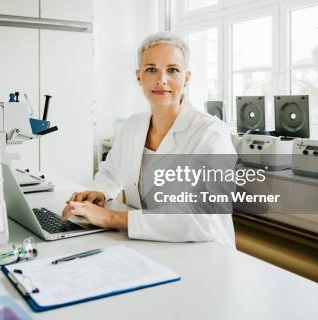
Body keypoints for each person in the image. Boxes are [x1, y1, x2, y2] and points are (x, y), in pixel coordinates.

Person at [61, 31, 237, 248]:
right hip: (146, 245)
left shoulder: (211, 133)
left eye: (172, 70)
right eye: (151, 69)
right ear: (139, 76)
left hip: (202, 252)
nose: (161, 80)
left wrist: (111, 218)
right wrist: (100, 192)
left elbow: (209, 220)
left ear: (187, 77)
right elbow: (110, 172)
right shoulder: (132, 126)